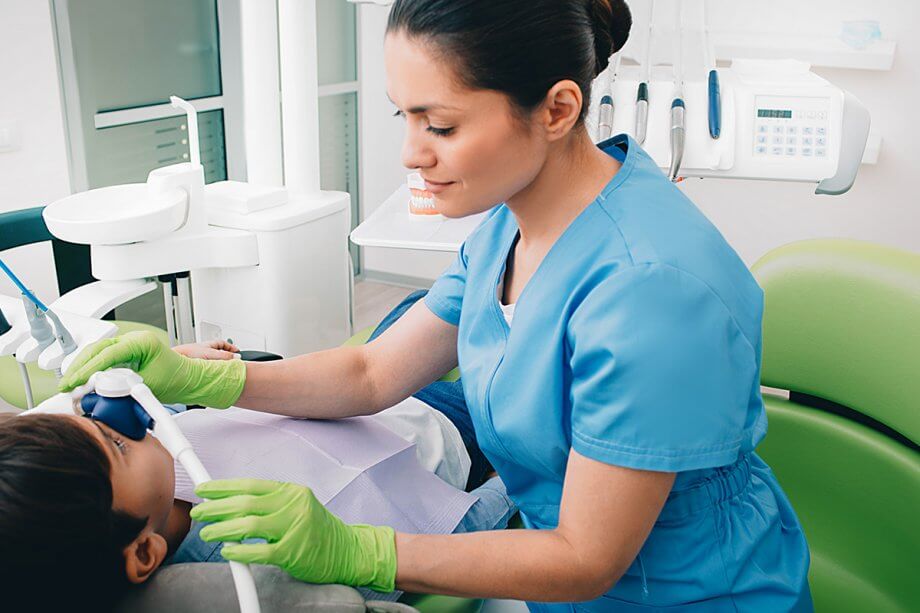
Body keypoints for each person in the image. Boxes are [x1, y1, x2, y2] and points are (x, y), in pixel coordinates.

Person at [61, 0, 813, 610]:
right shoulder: (513, 222)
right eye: (404, 118)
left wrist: (359, 549)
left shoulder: (650, 295)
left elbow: (585, 558)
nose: (412, 153)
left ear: (556, 109)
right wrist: (210, 382)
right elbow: (370, 373)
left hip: (680, 594)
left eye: (441, 125)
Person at [1, 339, 514, 611]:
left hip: (346, 383)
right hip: (438, 422)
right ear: (143, 553)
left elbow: (170, 398)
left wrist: (186, 366)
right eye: (114, 441)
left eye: (90, 418)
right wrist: (516, 479)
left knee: (427, 309)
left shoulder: (158, 460)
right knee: (512, 340)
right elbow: (454, 538)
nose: (120, 424)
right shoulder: (269, 558)